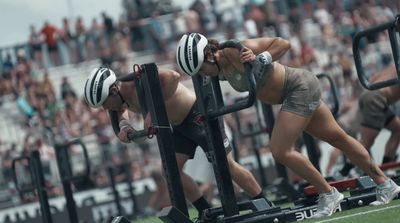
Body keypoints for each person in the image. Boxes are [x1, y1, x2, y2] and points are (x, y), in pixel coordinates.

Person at [175, 33, 400, 218]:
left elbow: (283, 43)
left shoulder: (235, 50)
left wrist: (262, 56)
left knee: (280, 150)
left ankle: (328, 193)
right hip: (293, 93)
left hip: (297, 87)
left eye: (202, 68)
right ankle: (386, 184)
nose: (203, 75)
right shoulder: (218, 69)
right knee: (338, 138)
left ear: (209, 55)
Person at [83, 67, 271, 218]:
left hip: (197, 115)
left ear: (114, 89)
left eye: (104, 102)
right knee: (171, 171)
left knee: (226, 165)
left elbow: (174, 76)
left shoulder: (137, 82)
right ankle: (205, 211)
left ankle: (264, 203)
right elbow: (119, 110)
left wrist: (153, 111)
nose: (104, 107)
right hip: (178, 127)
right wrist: (124, 125)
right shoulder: (118, 97)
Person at [339, 64, 400, 176]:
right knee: (366, 142)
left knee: (397, 128)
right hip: (376, 98)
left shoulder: (393, 65)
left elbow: (372, 79)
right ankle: (343, 172)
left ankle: (386, 166)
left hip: (369, 94)